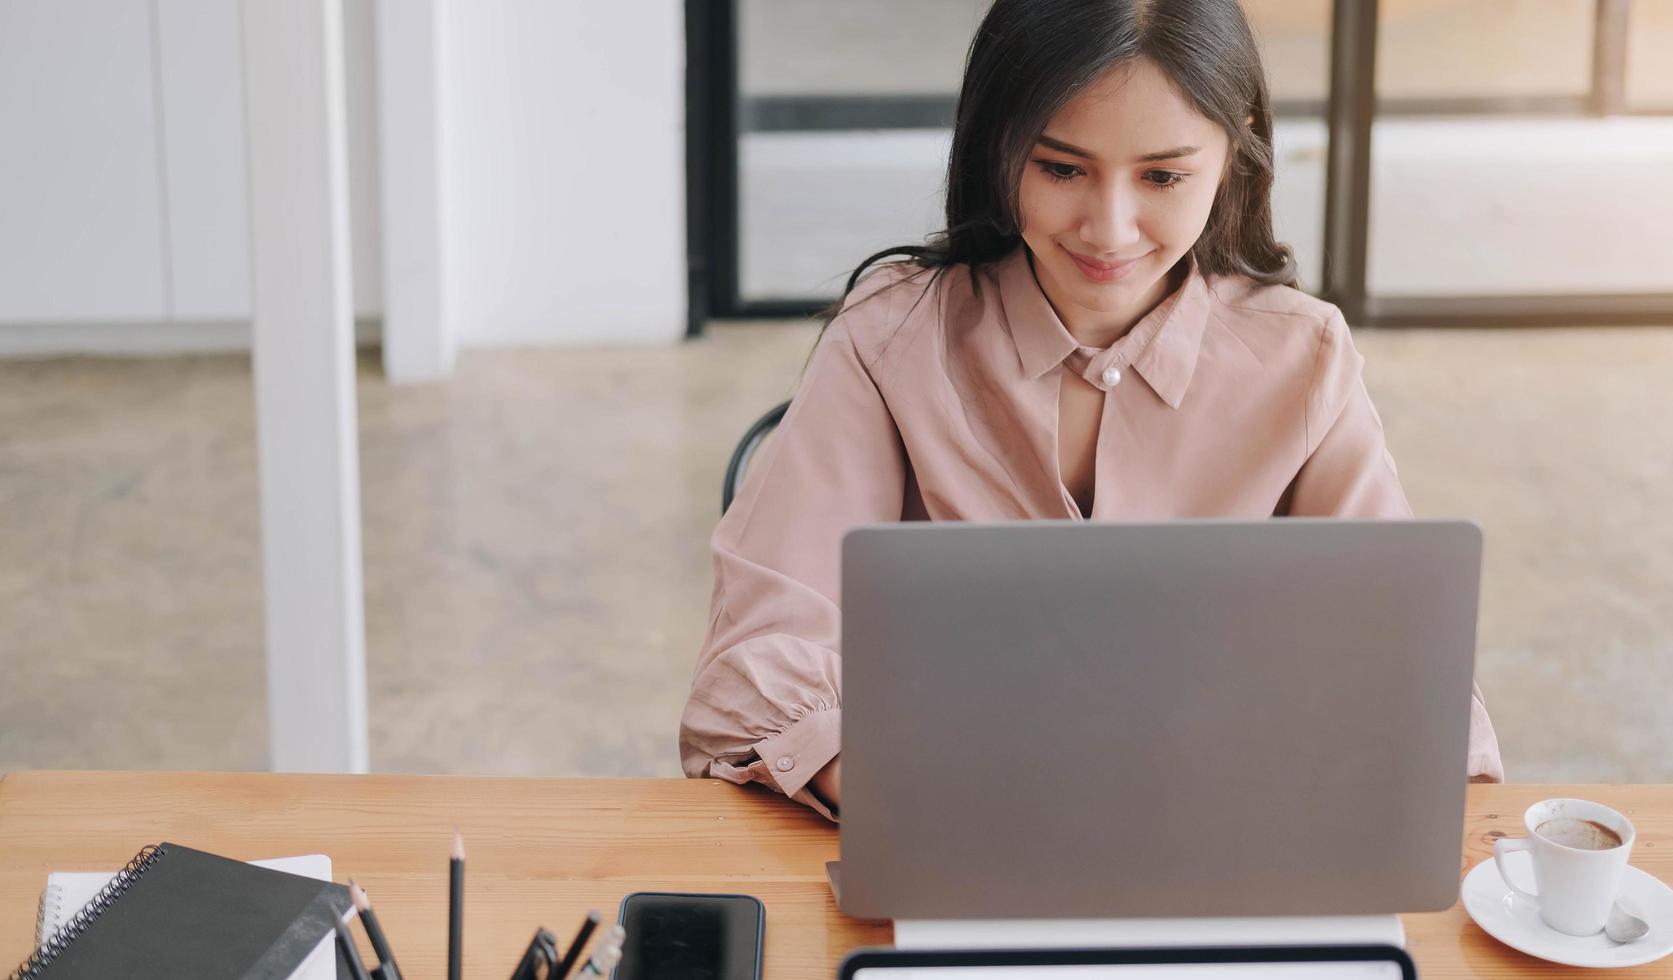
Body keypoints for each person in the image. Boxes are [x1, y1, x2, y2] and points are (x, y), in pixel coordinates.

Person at [680, 0, 1504, 822]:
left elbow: (1401, 657)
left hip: (1218, 818)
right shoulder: (889, 338)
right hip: (944, 813)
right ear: (999, 144)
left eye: (1163, 176)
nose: (1107, 231)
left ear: (1233, 149)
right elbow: (758, 652)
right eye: (1061, 169)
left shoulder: (1304, 358)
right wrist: (919, 805)